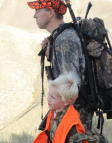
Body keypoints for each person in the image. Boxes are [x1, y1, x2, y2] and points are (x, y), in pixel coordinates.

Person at [27, 0, 94, 132]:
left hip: (74, 117)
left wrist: (62, 122)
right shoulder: (59, 38)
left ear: (51, 12)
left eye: (37, 10)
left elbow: (71, 85)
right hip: (71, 114)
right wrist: (50, 55)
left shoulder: (65, 39)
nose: (34, 16)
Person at [33, 72, 93, 143]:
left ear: (66, 102)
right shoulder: (54, 112)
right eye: (49, 94)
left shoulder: (71, 123)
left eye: (53, 97)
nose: (48, 99)